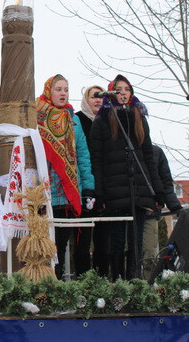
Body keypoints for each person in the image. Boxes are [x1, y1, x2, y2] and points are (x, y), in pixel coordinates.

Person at [90, 74, 165, 280]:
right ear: (111, 93)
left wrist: (157, 190)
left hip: (137, 189)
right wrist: (100, 192)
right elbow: (97, 160)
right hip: (114, 191)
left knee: (136, 240)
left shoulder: (138, 118)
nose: (123, 93)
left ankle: (134, 280)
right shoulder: (102, 120)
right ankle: (117, 281)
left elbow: (149, 157)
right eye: (119, 89)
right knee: (116, 240)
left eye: (127, 89)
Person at [36, 75, 94, 279]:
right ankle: (54, 287)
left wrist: (88, 188)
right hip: (49, 193)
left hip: (71, 191)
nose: (63, 93)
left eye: (66, 89)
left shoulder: (73, 118)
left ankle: (80, 289)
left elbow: (83, 156)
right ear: (48, 91)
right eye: (58, 89)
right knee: (54, 248)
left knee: (79, 244)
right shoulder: (39, 117)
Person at [75, 85, 110, 277]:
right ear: (85, 99)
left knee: (104, 242)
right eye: (93, 96)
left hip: (104, 188)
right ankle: (82, 282)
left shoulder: (108, 121)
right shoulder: (78, 120)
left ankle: (101, 282)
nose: (98, 100)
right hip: (85, 188)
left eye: (101, 97)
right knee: (82, 240)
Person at [142, 145, 183, 278]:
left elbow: (166, 183)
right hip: (127, 212)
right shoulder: (121, 149)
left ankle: (148, 291)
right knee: (127, 256)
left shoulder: (155, 152)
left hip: (149, 213)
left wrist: (175, 206)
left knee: (150, 257)